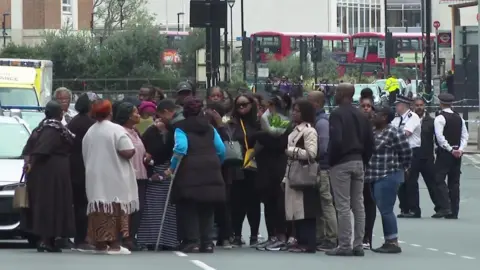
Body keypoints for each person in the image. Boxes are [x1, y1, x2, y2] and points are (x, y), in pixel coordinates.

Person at [167, 96, 226, 253]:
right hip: (211, 168)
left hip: (189, 171)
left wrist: (172, 168)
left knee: (189, 206)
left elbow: (181, 148)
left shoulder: (180, 127)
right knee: (207, 206)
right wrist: (215, 163)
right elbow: (221, 149)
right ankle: (207, 242)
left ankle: (192, 242)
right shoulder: (210, 128)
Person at [82, 99, 139, 255]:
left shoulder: (90, 131)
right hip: (115, 175)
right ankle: (115, 245)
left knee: (100, 208)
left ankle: (100, 245)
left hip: (94, 175)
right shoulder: (117, 130)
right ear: (110, 112)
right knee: (115, 207)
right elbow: (127, 150)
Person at [326, 83, 374, 257]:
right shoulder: (362, 115)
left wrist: (331, 161)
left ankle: (345, 244)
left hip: (341, 162)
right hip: (358, 161)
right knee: (358, 205)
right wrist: (364, 160)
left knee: (343, 205)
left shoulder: (337, 114)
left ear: (342, 94)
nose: (335, 94)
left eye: (337, 91)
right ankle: (358, 244)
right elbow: (370, 142)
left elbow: (336, 140)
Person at [24, 100, 76, 252]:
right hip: (51, 173)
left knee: (48, 203)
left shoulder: (41, 127)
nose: (62, 114)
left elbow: (29, 148)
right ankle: (46, 240)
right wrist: (33, 163)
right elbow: (42, 149)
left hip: (46, 171)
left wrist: (30, 164)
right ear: (56, 113)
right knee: (51, 204)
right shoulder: (52, 129)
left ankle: (48, 239)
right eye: (60, 111)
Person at [366, 105, 412, 254]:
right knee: (382, 208)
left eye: (376, 113)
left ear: (385, 117)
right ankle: (389, 240)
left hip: (388, 174)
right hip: (372, 175)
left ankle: (392, 241)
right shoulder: (372, 131)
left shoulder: (393, 131)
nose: (373, 115)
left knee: (386, 209)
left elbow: (405, 151)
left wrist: (405, 168)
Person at [254, 93, 293, 251]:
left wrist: (260, 135)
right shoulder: (263, 120)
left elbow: (278, 141)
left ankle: (281, 235)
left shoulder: (282, 121)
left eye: (267, 106)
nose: (264, 110)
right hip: (265, 168)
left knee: (279, 202)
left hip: (279, 167)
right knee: (268, 202)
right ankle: (272, 236)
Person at [137, 109, 178, 250]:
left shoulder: (173, 135)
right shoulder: (150, 133)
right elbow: (144, 153)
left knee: (168, 211)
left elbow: (169, 151)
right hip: (153, 174)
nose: (157, 122)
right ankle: (150, 240)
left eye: (160, 120)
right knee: (151, 210)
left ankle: (168, 241)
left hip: (168, 174)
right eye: (156, 120)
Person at [282, 99, 319, 253]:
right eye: (293, 110)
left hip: (303, 175)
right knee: (295, 210)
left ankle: (308, 243)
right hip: (293, 173)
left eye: (297, 111)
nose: (294, 113)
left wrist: (292, 151)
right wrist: (285, 178)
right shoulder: (295, 129)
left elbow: (311, 154)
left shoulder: (309, 131)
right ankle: (300, 240)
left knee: (305, 209)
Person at [112, 102, 148, 251]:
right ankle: (124, 238)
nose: (138, 115)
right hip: (127, 175)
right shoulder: (120, 132)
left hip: (140, 174)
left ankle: (131, 237)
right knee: (126, 208)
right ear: (127, 116)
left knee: (137, 209)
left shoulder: (136, 132)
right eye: (135, 112)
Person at [227, 94, 262, 247]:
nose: (241, 107)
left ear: (252, 105)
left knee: (253, 202)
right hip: (237, 166)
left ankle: (254, 235)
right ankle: (237, 235)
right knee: (237, 203)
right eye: (238, 105)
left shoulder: (259, 122)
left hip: (255, 167)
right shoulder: (230, 122)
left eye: (245, 104)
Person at [306, 91, 337, 251]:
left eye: (309, 100)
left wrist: (312, 156)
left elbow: (323, 147)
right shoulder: (316, 121)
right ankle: (322, 236)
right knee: (319, 203)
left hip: (323, 167)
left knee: (326, 202)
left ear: (317, 103)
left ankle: (331, 237)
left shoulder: (322, 122)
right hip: (319, 167)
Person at [399, 97, 439, 218]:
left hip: (427, 157)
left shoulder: (431, 121)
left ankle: (441, 208)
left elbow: (438, 138)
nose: (419, 107)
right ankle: (413, 209)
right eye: (417, 105)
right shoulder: (408, 119)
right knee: (411, 183)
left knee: (433, 184)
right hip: (413, 155)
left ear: (424, 106)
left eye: (421, 105)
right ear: (412, 106)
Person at [67, 93, 97, 251]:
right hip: (82, 167)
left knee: (78, 203)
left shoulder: (75, 121)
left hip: (73, 166)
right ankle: (81, 238)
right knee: (82, 204)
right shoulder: (88, 124)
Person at [432, 93, 468, 219]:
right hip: (457, 154)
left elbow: (440, 137)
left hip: (445, 154)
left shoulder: (439, 118)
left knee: (438, 179)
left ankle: (445, 207)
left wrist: (450, 149)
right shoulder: (459, 118)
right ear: (452, 103)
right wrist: (460, 149)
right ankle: (454, 211)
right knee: (454, 182)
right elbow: (465, 136)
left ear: (440, 103)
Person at [391, 96, 422, 218]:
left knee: (411, 181)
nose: (396, 107)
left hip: (412, 151)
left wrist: (392, 136)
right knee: (401, 181)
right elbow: (390, 130)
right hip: (400, 152)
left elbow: (406, 133)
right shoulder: (397, 118)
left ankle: (414, 209)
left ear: (404, 105)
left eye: (398, 104)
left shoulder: (412, 117)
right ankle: (404, 208)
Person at [358, 88, 376, 249]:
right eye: (363, 106)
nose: (365, 108)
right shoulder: (355, 123)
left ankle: (367, 237)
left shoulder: (376, 125)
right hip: (357, 168)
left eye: (368, 106)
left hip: (372, 170)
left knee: (369, 203)